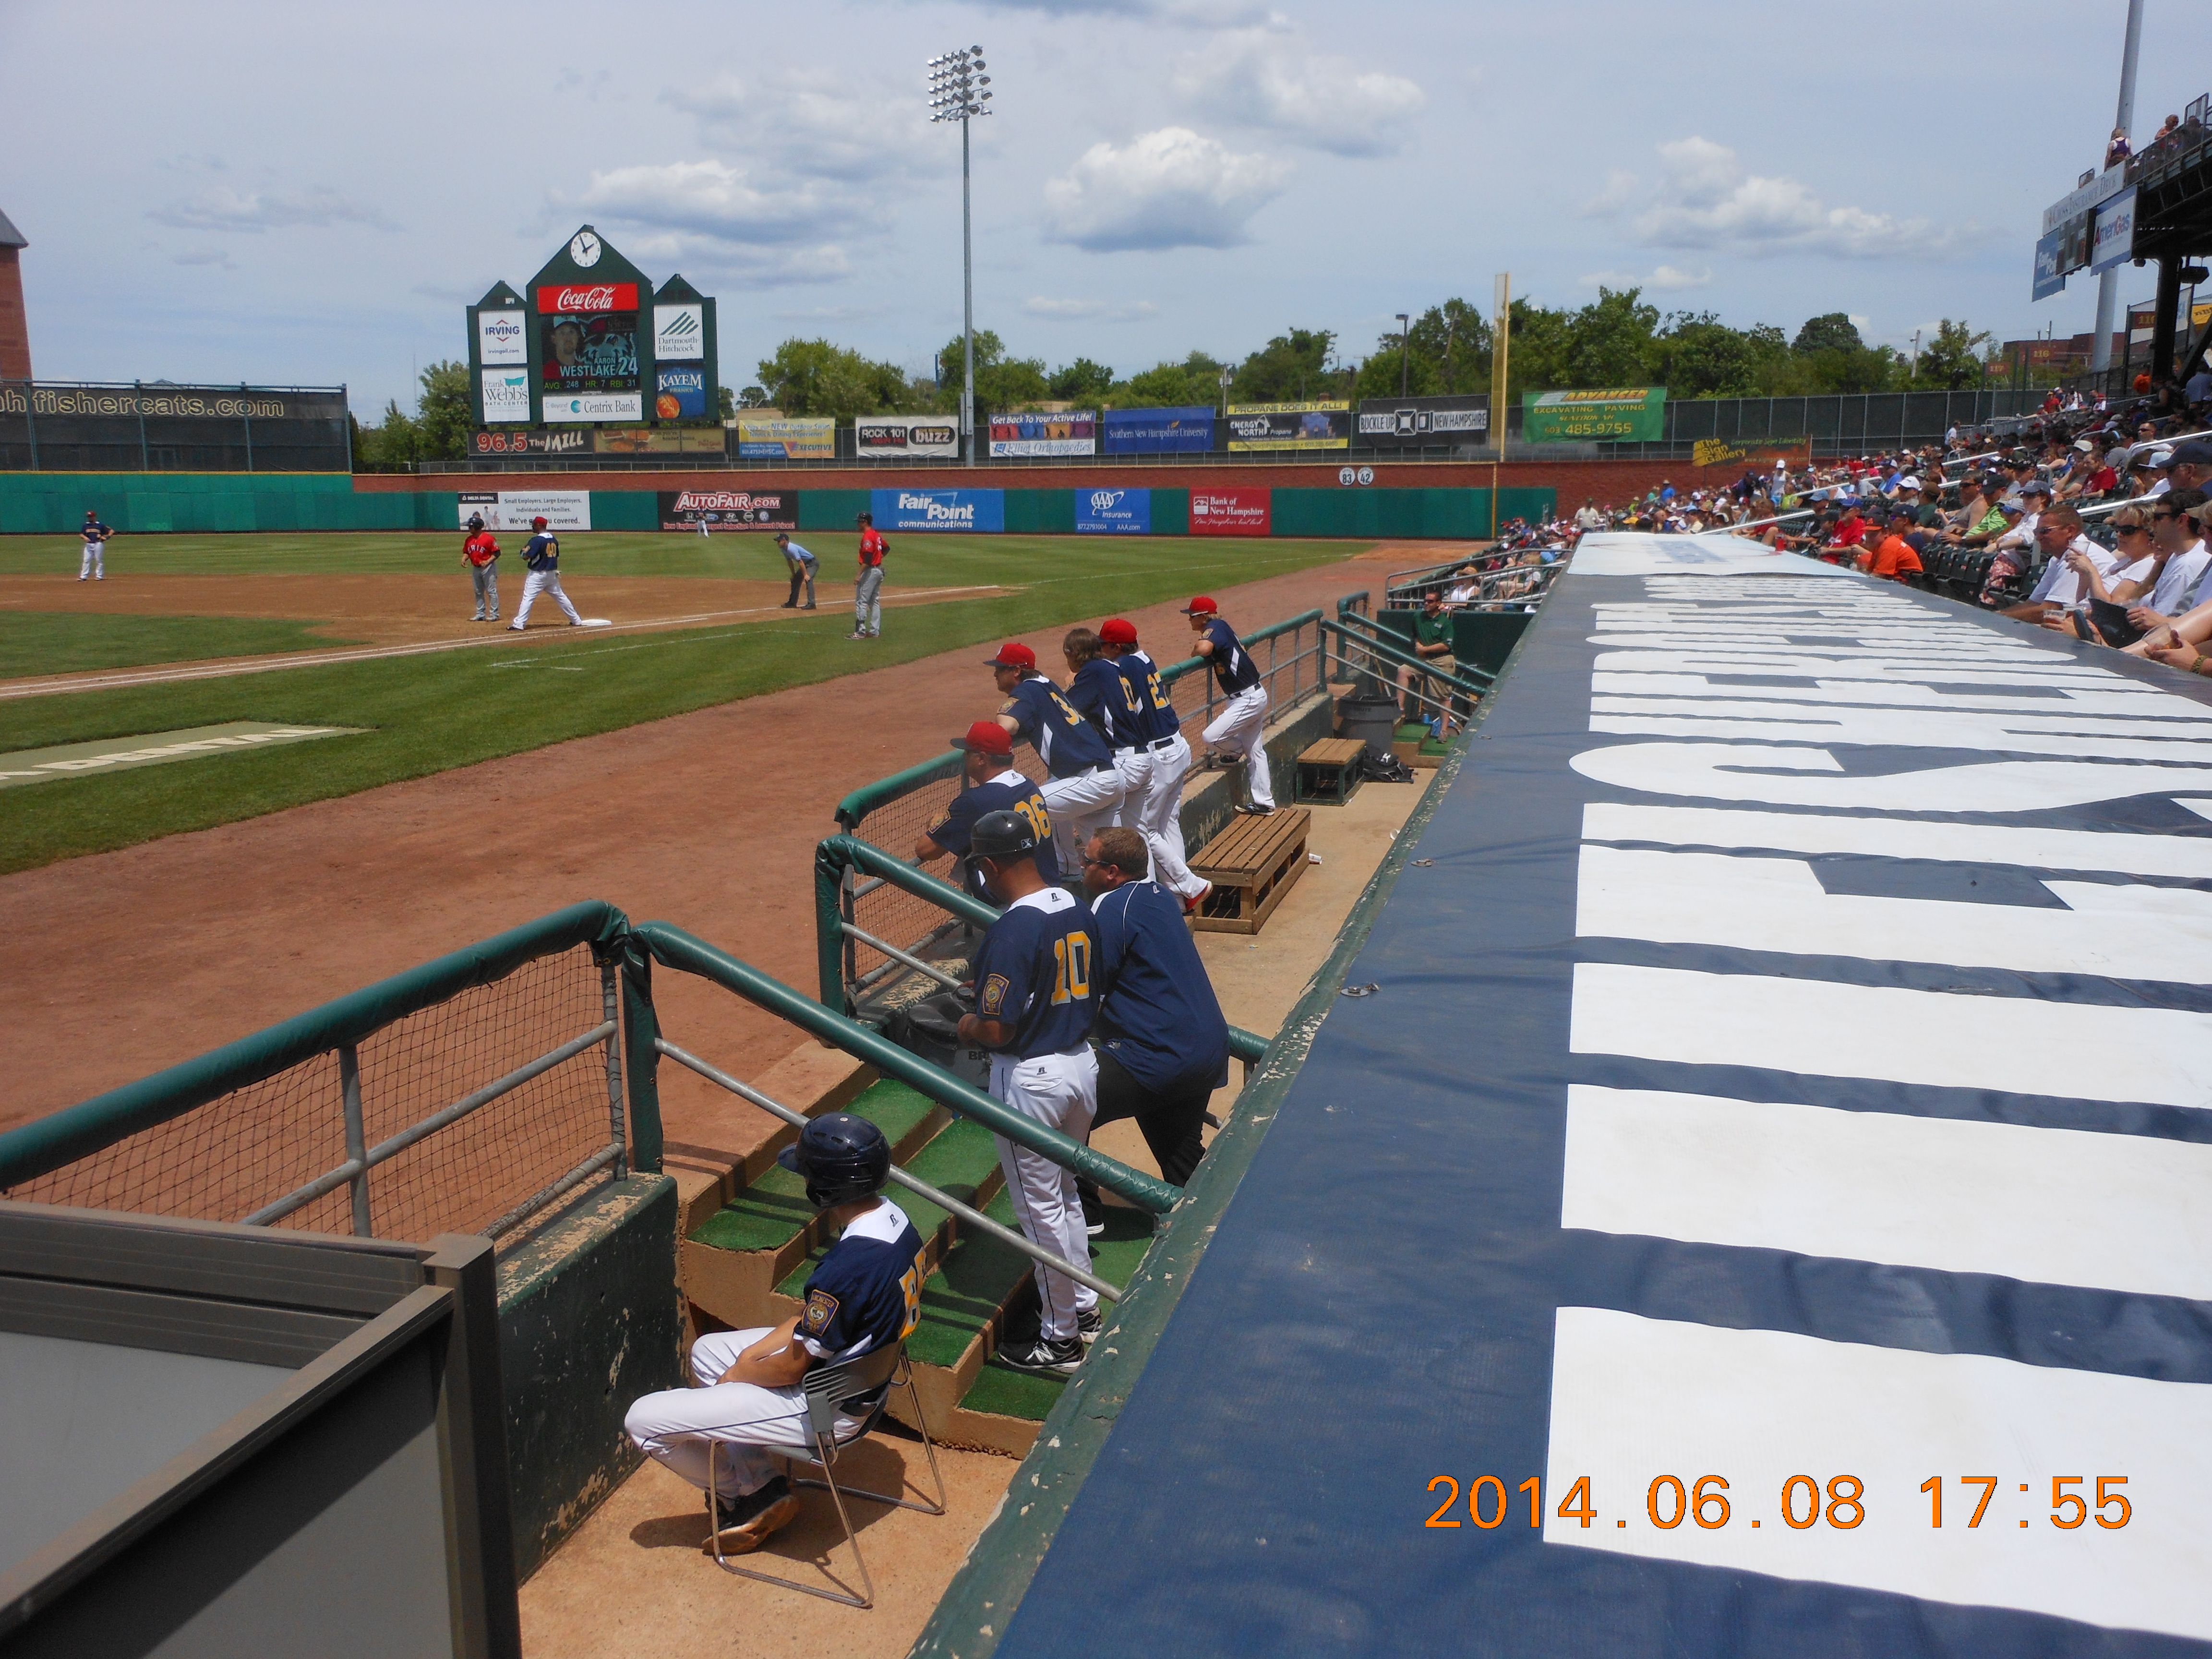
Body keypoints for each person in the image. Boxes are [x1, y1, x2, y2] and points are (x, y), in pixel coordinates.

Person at [623, 1113, 927, 1554]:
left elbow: (791, 1369)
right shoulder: (894, 1220)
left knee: (643, 1422)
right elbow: (813, 1321)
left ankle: (738, 1495)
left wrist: (740, 1374)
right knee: (708, 1352)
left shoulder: (850, 1265)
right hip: (863, 1380)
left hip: (826, 1407)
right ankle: (761, 1485)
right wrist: (747, 1359)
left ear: (825, 1189)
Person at [956, 808, 1101, 1376]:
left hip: (1034, 1081)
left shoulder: (1014, 927)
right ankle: (1084, 1308)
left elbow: (996, 1030)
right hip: (1081, 1067)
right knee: (1065, 1196)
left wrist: (966, 1024)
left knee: (1040, 1212)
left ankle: (1060, 1341)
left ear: (991, 866)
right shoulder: (1075, 905)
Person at [1079, 825, 1228, 1191]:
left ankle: (1086, 1214)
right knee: (1180, 1156)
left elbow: (1090, 991)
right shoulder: (1161, 896)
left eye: (1087, 861)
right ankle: (1209, 1217)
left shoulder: (1111, 906)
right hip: (1207, 1051)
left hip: (1155, 1057)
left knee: (1060, 1114)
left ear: (1112, 872)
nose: (1081, 867)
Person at [1097, 617, 1208, 914]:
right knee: (1167, 825)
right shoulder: (1143, 659)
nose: (1101, 652)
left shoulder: (1124, 666)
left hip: (1159, 755)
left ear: (1116, 647)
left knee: (1145, 830)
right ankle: (1179, 900)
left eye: (1104, 646)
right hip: (1176, 746)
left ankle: (1190, 886)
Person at [987, 641, 1125, 879]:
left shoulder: (1026, 691)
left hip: (1090, 781)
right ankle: (1067, 869)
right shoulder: (1046, 684)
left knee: (1025, 806)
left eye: (1000, 669)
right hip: (1105, 778)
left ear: (1016, 671)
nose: (995, 674)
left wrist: (1005, 716)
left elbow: (1005, 727)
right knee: (1111, 861)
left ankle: (1018, 876)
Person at [914, 721, 1058, 902]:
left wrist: (935, 822)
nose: (964, 757)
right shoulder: (1028, 785)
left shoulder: (975, 801)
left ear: (982, 759)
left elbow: (926, 850)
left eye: (968, 752)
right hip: (1051, 890)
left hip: (1012, 905)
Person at [1184, 596, 1274, 816]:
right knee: (1255, 751)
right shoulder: (1221, 627)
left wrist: (1195, 650)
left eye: (1192, 616)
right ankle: (1265, 803)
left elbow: (1204, 648)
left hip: (1247, 699)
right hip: (1250, 695)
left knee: (1211, 737)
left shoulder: (1215, 627)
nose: (1189, 620)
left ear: (1203, 617)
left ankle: (1234, 751)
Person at [508, 515, 585, 630]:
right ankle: (576, 620)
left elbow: (525, 556)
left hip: (538, 575)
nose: (533, 526)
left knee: (528, 598)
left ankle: (519, 624)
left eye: (534, 524)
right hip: (551, 574)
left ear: (539, 525)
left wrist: (523, 551)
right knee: (561, 597)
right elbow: (555, 557)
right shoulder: (553, 539)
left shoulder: (537, 540)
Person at [1410, 588, 1464, 731]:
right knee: (1403, 671)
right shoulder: (1418, 617)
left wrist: (1424, 650)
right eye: (1425, 601)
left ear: (1438, 603)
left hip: (1442, 661)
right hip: (1424, 660)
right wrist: (1418, 645)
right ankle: (1400, 711)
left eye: (1430, 601)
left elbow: (1446, 645)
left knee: (1444, 697)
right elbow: (1415, 635)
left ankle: (1444, 731)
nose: (1426, 604)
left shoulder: (1445, 622)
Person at [851, 511, 887, 640]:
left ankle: (860, 632)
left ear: (865, 522)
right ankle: (875, 631)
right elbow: (886, 548)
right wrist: (879, 559)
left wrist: (858, 575)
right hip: (878, 571)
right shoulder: (876, 535)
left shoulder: (868, 536)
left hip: (871, 571)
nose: (858, 524)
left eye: (859, 522)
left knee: (861, 601)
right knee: (874, 602)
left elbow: (867, 559)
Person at [462, 516, 501, 623]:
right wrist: (464, 558)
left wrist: (488, 561)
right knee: (478, 592)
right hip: (476, 568)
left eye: (471, 526)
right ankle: (480, 614)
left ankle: (494, 615)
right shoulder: (469, 540)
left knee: (491, 591)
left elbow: (497, 553)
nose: (469, 528)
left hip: (488, 568)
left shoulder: (489, 539)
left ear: (477, 527)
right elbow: (467, 552)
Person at [774, 532, 817, 610]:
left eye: (779, 541)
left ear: (784, 540)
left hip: (812, 564)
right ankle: (792, 603)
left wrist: (805, 575)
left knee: (808, 579)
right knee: (795, 580)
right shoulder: (784, 549)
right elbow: (790, 561)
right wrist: (793, 574)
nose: (778, 543)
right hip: (805, 564)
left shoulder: (791, 548)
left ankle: (812, 604)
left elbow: (800, 562)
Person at [78, 509, 112, 581]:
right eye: (89, 517)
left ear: (94, 517)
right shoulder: (86, 525)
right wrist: (85, 538)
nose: (90, 518)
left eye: (91, 516)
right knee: (86, 560)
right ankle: (83, 576)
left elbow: (111, 531)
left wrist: (107, 537)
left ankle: (99, 576)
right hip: (89, 545)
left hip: (98, 544)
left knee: (99, 560)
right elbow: (81, 534)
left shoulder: (100, 525)